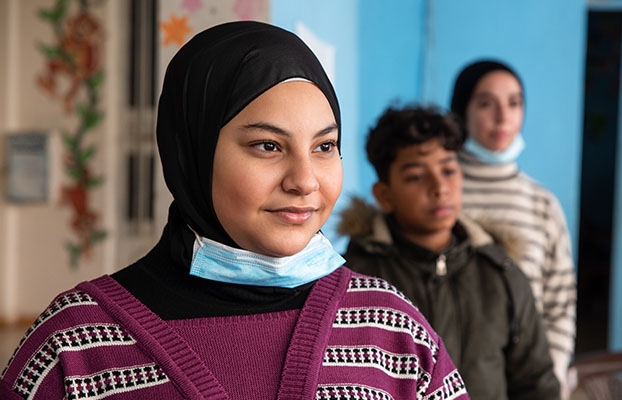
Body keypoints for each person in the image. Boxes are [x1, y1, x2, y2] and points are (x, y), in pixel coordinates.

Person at [1, 22, 468, 400]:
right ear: (194, 155)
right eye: (268, 146)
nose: (305, 180)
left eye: (325, 146)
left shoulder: (392, 331)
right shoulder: (73, 346)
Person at [338, 104, 561, 400]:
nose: (440, 187)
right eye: (417, 176)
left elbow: (536, 383)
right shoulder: (356, 280)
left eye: (448, 170)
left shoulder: (501, 274)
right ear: (384, 195)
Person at [449, 59, 576, 398]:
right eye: (486, 103)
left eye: (514, 103)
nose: (503, 117)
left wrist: (552, 375)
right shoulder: (442, 195)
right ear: (462, 111)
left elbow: (560, 300)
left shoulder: (542, 203)